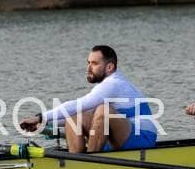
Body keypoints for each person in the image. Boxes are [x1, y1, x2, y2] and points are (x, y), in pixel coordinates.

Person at [19, 45, 158, 153]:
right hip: (121, 135)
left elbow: (79, 104)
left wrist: (40, 117)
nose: (89, 67)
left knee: (103, 111)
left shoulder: (114, 84)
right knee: (75, 116)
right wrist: (44, 124)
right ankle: (76, 161)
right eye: (88, 63)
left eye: (94, 63)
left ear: (109, 67)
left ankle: (90, 161)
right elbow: (76, 111)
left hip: (142, 138)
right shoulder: (104, 89)